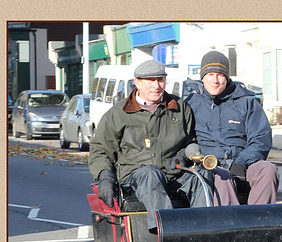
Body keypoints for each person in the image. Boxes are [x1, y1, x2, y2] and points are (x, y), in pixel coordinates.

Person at [88, 60, 237, 230]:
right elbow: (100, 150)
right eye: (150, 81)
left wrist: (183, 155)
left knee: (200, 176)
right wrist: (106, 177)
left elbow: (192, 142)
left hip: (174, 174)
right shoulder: (118, 113)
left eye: (160, 80)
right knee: (151, 174)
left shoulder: (180, 107)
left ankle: (202, 232)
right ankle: (168, 233)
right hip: (136, 177)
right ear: (137, 82)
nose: (156, 86)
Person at [184, 51, 279, 205]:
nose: (215, 80)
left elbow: (260, 138)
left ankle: (259, 223)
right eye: (210, 75)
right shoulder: (190, 104)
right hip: (210, 166)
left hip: (243, 164)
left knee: (268, 170)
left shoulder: (246, 102)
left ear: (227, 78)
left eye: (220, 75)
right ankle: (232, 225)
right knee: (223, 176)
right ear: (202, 77)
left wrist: (242, 162)